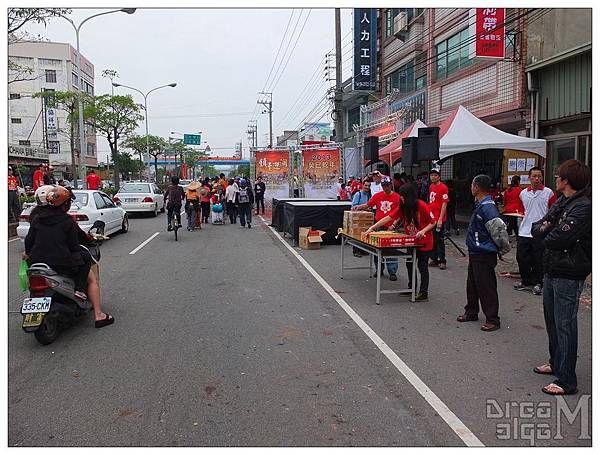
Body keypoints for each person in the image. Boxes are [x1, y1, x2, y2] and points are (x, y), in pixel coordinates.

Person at [530, 159, 591, 395]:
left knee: (565, 324)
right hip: (553, 268)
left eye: (557, 176)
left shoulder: (583, 206)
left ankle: (567, 380)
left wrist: (547, 230)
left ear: (567, 180)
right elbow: (538, 226)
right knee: (552, 321)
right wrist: (547, 228)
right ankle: (556, 363)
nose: (554, 179)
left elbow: (560, 237)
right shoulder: (564, 202)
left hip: (569, 271)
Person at [24, 185, 113, 328]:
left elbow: (29, 242)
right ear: (65, 204)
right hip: (61, 264)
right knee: (85, 260)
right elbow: (74, 246)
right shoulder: (67, 221)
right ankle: (96, 312)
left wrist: (29, 254)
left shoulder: (37, 219)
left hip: (36, 262)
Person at [457, 174, 510, 332]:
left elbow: (499, 229)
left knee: (486, 286)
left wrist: (502, 248)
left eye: (472, 185)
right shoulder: (481, 204)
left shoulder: (487, 206)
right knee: (472, 284)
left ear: (477, 187)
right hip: (476, 251)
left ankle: (493, 318)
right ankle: (471, 311)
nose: (471, 188)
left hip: (484, 252)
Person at [365, 183, 436, 301]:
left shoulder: (421, 205)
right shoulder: (403, 207)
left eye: (403, 196)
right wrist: (372, 228)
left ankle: (423, 293)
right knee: (409, 264)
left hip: (424, 242)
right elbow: (388, 217)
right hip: (411, 241)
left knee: (422, 266)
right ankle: (411, 288)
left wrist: (423, 230)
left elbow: (432, 222)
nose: (401, 198)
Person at [514, 167, 557, 295]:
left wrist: (548, 225)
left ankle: (538, 282)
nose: (536, 179)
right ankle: (526, 281)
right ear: (529, 178)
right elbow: (521, 210)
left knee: (538, 258)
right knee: (522, 257)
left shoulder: (549, 193)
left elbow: (553, 211)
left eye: (539, 176)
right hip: (525, 230)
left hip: (540, 231)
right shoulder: (523, 194)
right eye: (534, 176)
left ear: (542, 178)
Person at [353, 177, 401, 281]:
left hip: (390, 226)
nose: (386, 188)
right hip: (379, 225)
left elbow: (399, 214)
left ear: (391, 185)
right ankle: (379, 269)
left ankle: (392, 271)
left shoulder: (397, 197)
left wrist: (393, 225)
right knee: (377, 248)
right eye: (384, 186)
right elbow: (368, 205)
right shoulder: (378, 195)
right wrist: (358, 207)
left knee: (391, 250)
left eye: (387, 185)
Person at [428, 168, 449, 270]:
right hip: (432, 217)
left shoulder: (443, 187)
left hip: (439, 217)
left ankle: (442, 260)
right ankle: (434, 258)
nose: (433, 177)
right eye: (432, 175)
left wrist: (440, 219)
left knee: (439, 240)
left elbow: (444, 203)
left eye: (435, 175)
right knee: (432, 239)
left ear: (439, 176)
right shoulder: (431, 186)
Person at [350, 180, 371, 257]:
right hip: (357, 217)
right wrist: (365, 209)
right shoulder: (358, 194)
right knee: (357, 234)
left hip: (365, 218)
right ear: (362, 185)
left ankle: (363, 250)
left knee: (364, 233)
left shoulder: (368, 195)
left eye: (368, 186)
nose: (367, 187)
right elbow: (354, 207)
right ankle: (356, 250)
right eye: (366, 185)